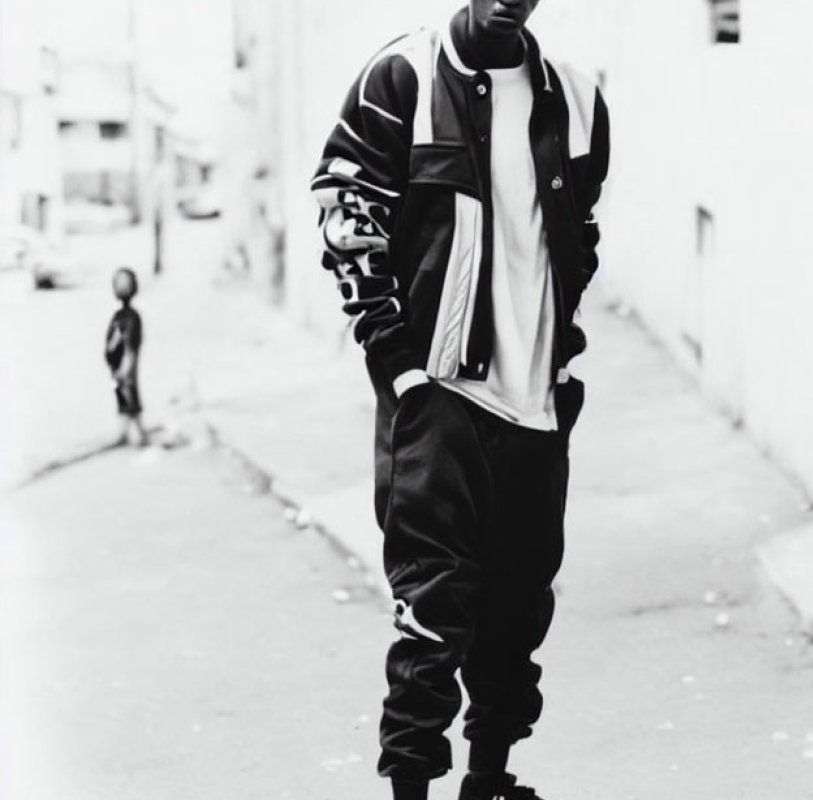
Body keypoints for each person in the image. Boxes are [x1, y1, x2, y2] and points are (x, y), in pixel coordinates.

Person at [311, 1, 609, 798]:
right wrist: (402, 370)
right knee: (433, 614)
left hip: (538, 404)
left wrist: (558, 358)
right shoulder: (401, 77)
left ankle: (490, 781)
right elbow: (347, 220)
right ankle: (409, 785)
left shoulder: (576, 99)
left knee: (517, 612)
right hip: (442, 396)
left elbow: (579, 227)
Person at [104, 267, 148, 447]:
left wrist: (125, 367)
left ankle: (140, 435)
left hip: (125, 367)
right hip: (118, 368)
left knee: (130, 397)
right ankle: (129, 433)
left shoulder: (131, 317)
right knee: (123, 398)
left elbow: (131, 345)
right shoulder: (119, 316)